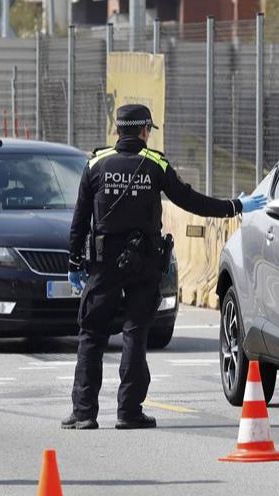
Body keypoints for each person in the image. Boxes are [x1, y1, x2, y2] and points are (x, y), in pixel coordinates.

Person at [64, 104, 267, 430]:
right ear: (144, 130)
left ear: (118, 130)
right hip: (144, 262)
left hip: (104, 264)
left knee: (92, 334)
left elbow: (80, 219)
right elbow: (191, 200)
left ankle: (84, 412)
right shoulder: (155, 164)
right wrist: (235, 206)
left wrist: (74, 261)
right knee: (135, 333)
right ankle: (129, 412)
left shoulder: (96, 164)